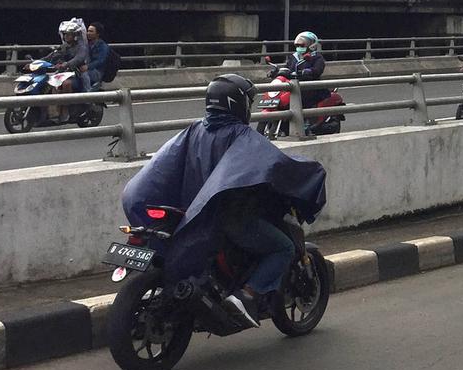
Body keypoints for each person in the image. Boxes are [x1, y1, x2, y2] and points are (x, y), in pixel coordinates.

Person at [120, 74, 327, 328]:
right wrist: (306, 173)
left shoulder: (194, 130)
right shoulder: (242, 136)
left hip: (189, 214)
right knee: (283, 248)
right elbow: (277, 164)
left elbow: (161, 169)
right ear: (237, 103)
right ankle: (246, 296)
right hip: (227, 218)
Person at [42, 18, 90, 120]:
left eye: (68, 34)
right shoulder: (65, 46)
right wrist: (38, 62)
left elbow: (79, 58)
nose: (66, 36)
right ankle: (51, 110)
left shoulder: (81, 47)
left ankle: (66, 110)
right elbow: (53, 55)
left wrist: (66, 64)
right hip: (65, 73)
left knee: (66, 84)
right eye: (65, 34)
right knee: (49, 82)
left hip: (77, 74)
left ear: (75, 36)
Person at [286, 31, 327, 108]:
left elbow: (318, 70)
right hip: (293, 84)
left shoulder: (316, 57)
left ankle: (306, 117)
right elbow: (287, 68)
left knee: (306, 100)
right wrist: (277, 72)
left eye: (302, 45)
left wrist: (308, 71)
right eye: (298, 45)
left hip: (310, 86)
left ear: (312, 44)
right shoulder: (293, 57)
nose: (299, 47)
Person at [86, 22, 109, 87]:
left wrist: (87, 67)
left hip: (97, 72)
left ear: (98, 34)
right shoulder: (88, 45)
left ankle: (87, 91)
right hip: (89, 70)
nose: (88, 33)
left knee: (81, 75)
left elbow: (100, 61)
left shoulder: (103, 46)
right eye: (88, 31)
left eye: (91, 31)